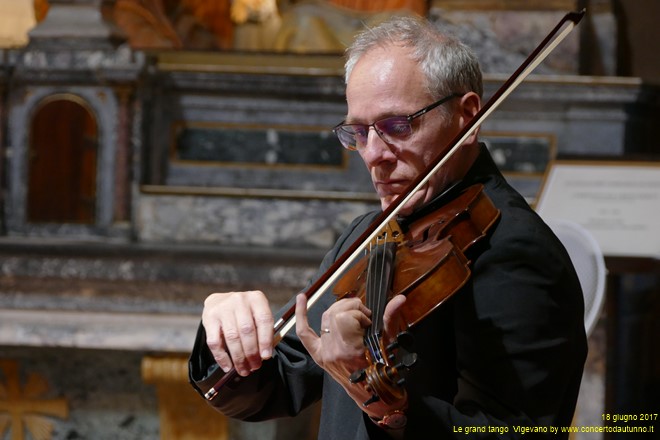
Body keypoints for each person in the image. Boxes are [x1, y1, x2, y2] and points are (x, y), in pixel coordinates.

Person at [189, 15, 587, 439]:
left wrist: (388, 408)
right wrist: (226, 335)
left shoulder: (512, 249)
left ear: (467, 116)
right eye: (358, 132)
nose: (374, 155)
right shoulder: (370, 233)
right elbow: (275, 386)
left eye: (398, 126)